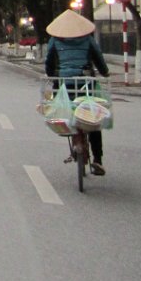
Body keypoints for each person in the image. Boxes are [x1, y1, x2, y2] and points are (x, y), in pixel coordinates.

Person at [45, 9, 111, 175]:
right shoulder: (87, 39)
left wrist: (51, 74)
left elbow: (49, 62)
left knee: (64, 112)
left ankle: (73, 139)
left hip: (63, 84)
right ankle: (98, 159)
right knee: (93, 119)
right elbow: (98, 57)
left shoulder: (55, 40)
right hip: (86, 84)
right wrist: (104, 72)